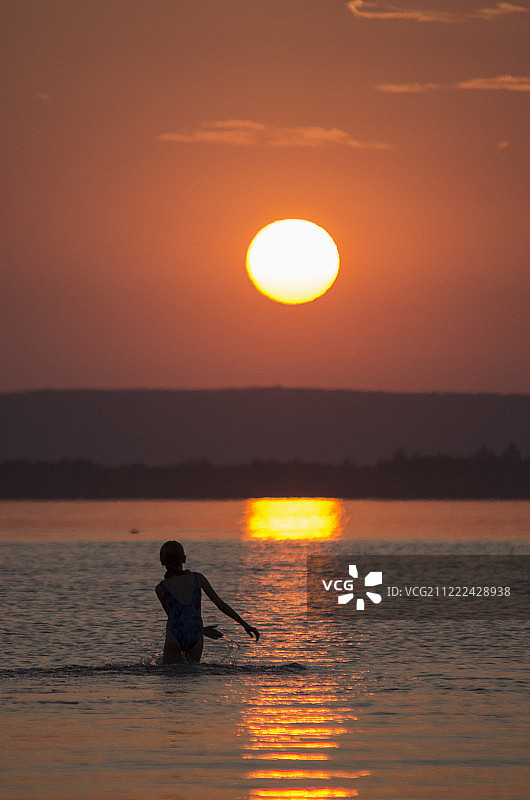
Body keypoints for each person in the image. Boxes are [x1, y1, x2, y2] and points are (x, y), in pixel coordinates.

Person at [155, 540, 260, 664]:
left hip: (174, 636)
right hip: (196, 635)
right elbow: (221, 605)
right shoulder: (197, 578)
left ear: (162, 562)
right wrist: (245, 624)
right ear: (184, 559)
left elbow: (177, 618)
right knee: (193, 677)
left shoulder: (161, 588)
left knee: (169, 675)